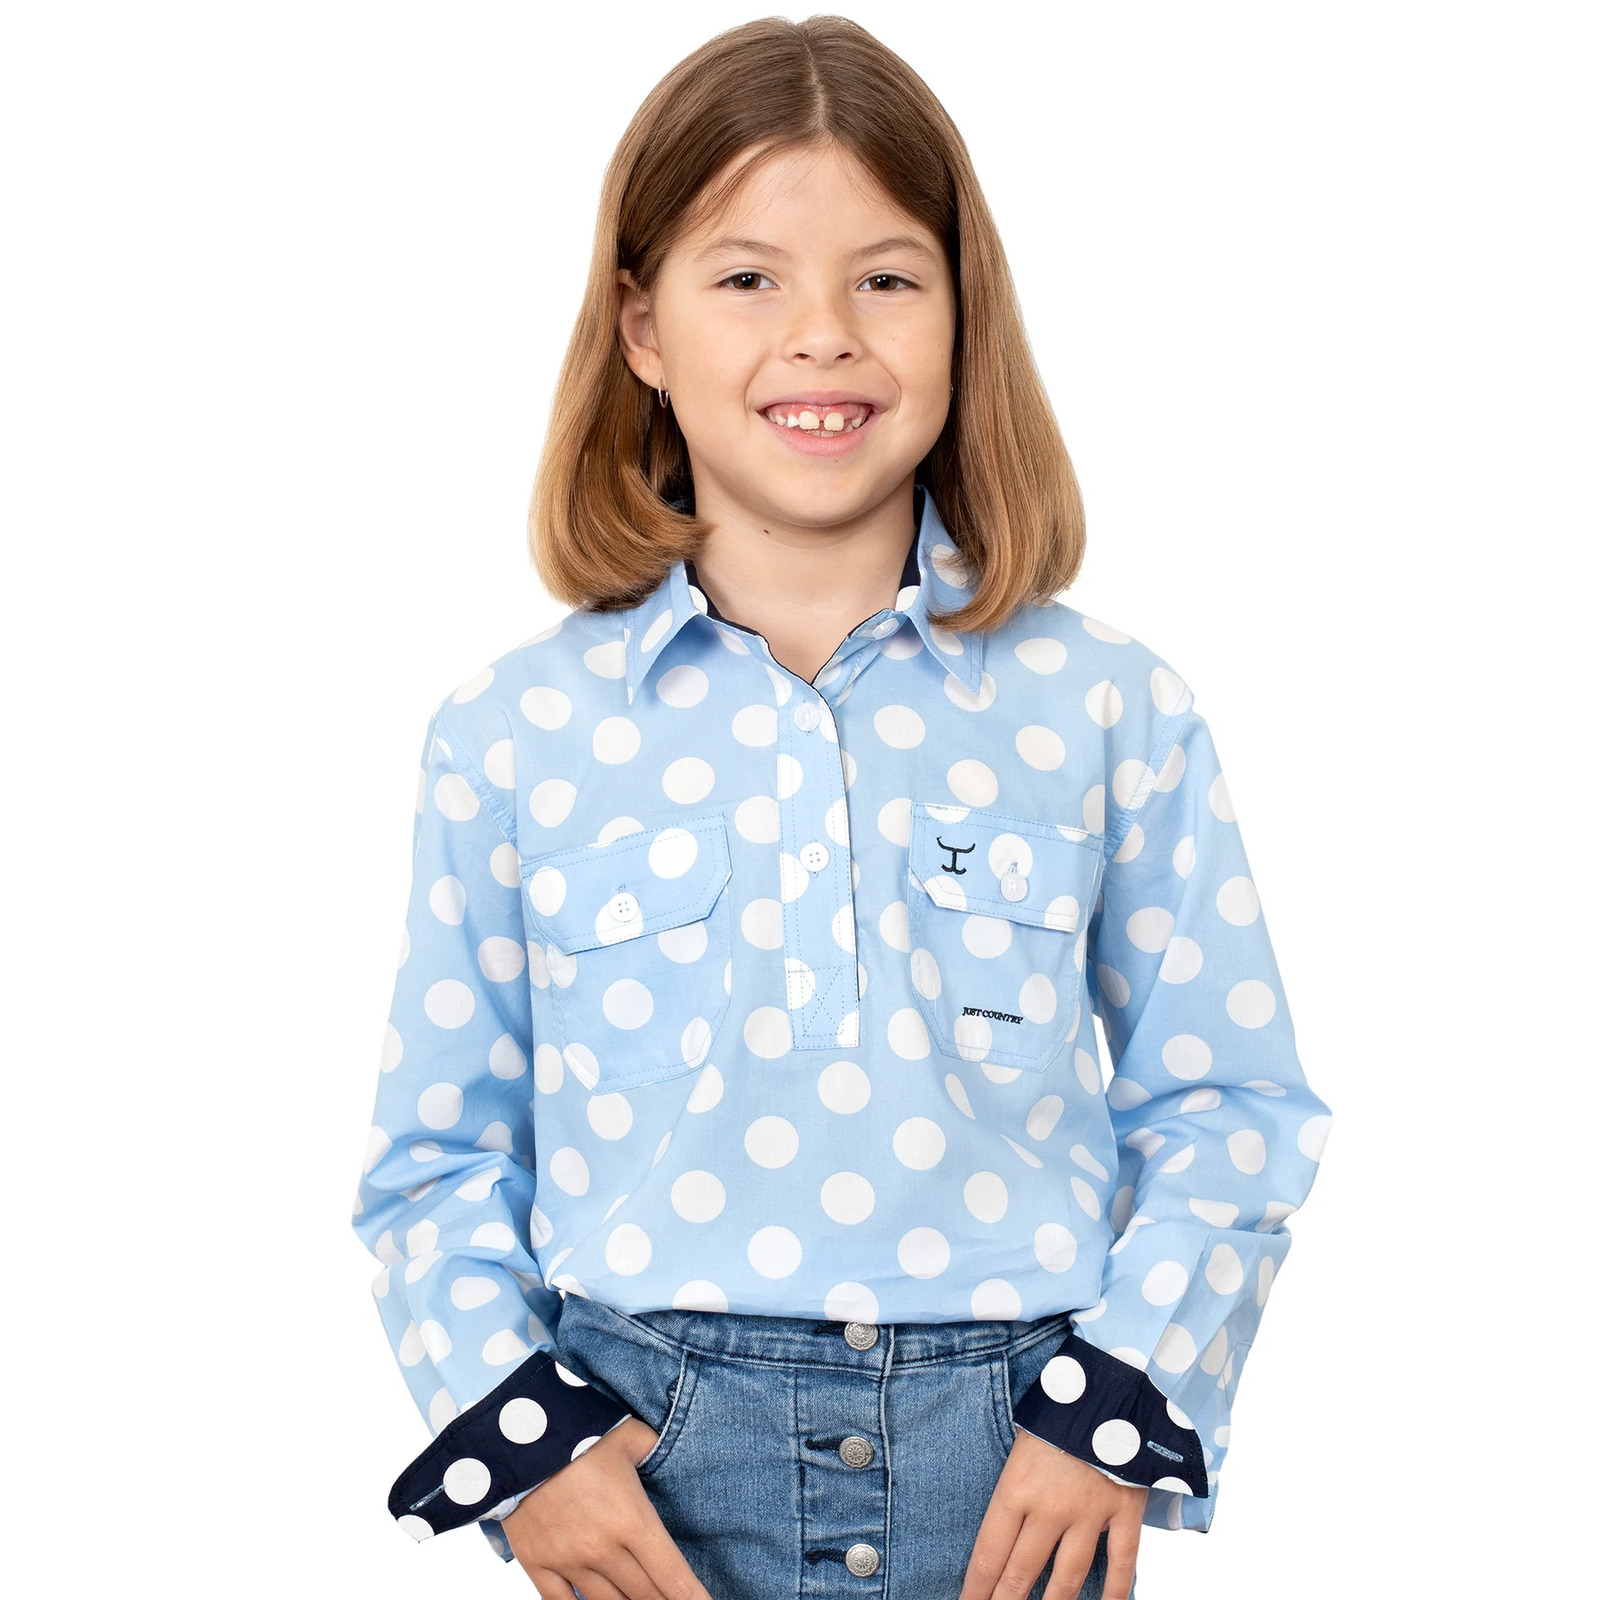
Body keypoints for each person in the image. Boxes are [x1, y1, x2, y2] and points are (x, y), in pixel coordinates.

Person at [348, 16, 1334, 1600]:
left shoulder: (1108, 707)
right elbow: (435, 1158)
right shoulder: (514, 733)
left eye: (886, 279)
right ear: (643, 328)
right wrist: (524, 1450)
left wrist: (1114, 1413)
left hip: (1019, 1466)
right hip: (644, 1469)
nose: (823, 336)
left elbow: (1230, 1105)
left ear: (963, 316)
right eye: (748, 278)